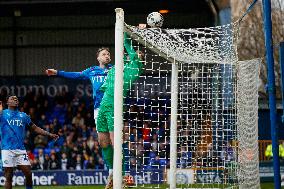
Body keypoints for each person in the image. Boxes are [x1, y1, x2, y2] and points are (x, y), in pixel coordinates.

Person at [97, 32, 144, 189]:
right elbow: (122, 53)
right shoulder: (120, 63)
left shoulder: (134, 67)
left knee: (115, 142)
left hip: (114, 106)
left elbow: (129, 50)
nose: (139, 53)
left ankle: (122, 176)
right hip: (103, 104)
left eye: (141, 54)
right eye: (139, 52)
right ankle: (112, 173)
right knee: (103, 142)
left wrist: (124, 35)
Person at [0, 96, 59, 189]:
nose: (15, 99)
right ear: (7, 102)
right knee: (8, 177)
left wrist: (50, 134)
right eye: (12, 99)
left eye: (16, 99)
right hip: (7, 149)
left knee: (28, 173)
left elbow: (35, 128)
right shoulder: (2, 114)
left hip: (20, 149)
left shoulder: (23, 116)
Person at [45, 46, 112, 125]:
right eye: (104, 54)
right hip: (98, 107)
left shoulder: (114, 69)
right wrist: (57, 72)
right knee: (102, 137)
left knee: (114, 135)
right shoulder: (92, 70)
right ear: (98, 58)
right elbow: (76, 75)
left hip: (111, 106)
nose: (107, 56)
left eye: (108, 54)